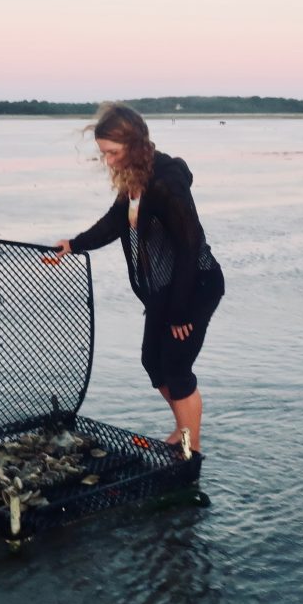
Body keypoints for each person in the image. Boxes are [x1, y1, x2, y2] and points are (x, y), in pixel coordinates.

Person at [56, 102, 224, 453]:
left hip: (196, 285)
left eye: (113, 153)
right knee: (153, 362)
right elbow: (116, 222)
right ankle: (183, 429)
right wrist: (74, 245)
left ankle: (190, 449)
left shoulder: (167, 182)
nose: (109, 161)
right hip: (165, 289)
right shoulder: (136, 178)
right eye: (104, 154)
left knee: (176, 369)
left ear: (134, 144)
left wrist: (179, 312)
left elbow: (190, 247)